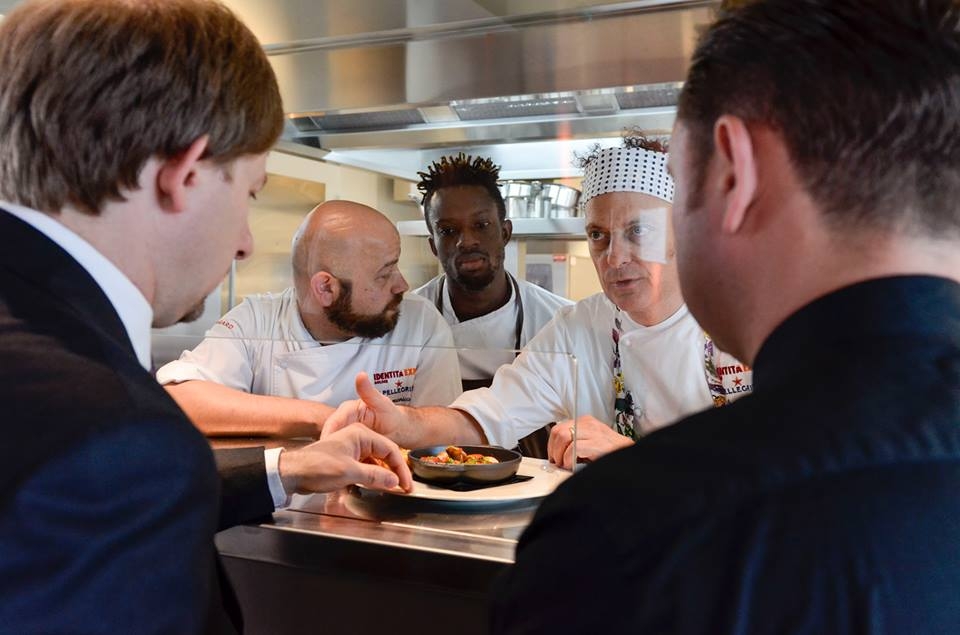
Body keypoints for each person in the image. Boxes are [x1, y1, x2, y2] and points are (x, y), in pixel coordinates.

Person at [491, 0, 960, 632]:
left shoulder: (628, 534)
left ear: (735, 171)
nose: (618, 256)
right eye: (599, 237)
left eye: (681, 189)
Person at [0, 2, 411, 633]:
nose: (245, 241)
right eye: (249, 192)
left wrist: (283, 470)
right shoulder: (110, 429)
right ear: (185, 175)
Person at [324, 135, 752, 468]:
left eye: (638, 232)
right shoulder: (578, 329)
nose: (615, 258)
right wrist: (403, 424)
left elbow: (782, 462)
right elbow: (489, 416)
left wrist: (633, 456)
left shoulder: (749, 322)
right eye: (598, 236)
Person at [156, 200, 462, 438]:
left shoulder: (420, 323)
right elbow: (180, 399)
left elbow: (446, 436)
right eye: (384, 275)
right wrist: (326, 418)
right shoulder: (258, 321)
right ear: (326, 288)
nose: (402, 285)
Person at [413, 153, 572, 455]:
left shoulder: (557, 320)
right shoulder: (408, 320)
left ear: (505, 232)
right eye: (448, 231)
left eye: (481, 224)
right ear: (433, 245)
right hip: (431, 488)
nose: (466, 241)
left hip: (531, 489)